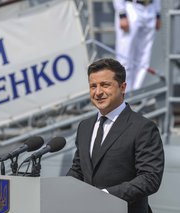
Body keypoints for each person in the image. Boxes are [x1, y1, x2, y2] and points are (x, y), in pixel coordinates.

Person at [67, 58, 164, 213]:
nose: (98, 92)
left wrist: (106, 196)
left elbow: (149, 178)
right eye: (93, 86)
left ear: (123, 87)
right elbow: (79, 170)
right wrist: (61, 188)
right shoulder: (84, 127)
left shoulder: (143, 127)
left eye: (105, 85)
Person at [113, 0, 162, 91]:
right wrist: (122, 13)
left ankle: (136, 92)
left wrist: (157, 12)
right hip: (131, 7)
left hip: (150, 8)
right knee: (125, 55)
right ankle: (124, 92)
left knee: (144, 57)